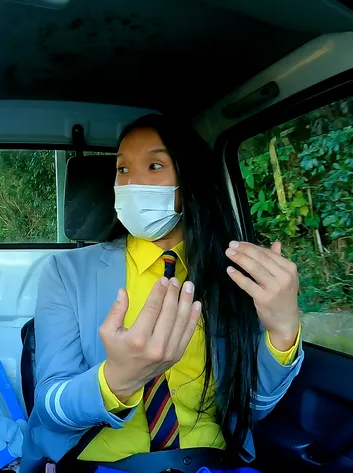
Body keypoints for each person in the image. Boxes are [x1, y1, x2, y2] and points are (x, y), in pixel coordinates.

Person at [22, 114, 303, 472]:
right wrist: (116, 380)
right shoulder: (66, 273)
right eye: (122, 170)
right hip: (104, 463)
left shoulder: (234, 272)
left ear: (190, 180)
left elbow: (252, 407)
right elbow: (49, 409)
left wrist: (282, 331)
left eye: (154, 166)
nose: (132, 182)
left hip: (210, 461)